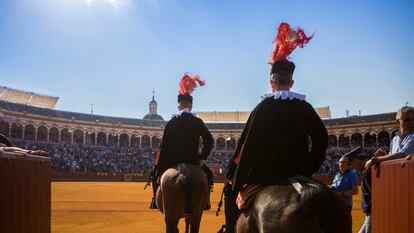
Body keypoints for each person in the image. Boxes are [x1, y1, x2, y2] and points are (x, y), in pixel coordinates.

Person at [221, 22, 328, 233]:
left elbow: (246, 146)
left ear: (272, 82)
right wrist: (309, 166)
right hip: (299, 172)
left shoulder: (262, 108)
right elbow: (321, 138)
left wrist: (235, 177)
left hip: (264, 175)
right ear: (292, 81)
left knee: (230, 193)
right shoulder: (304, 107)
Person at [156, 73, 214, 213]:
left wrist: (160, 167)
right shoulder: (197, 122)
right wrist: (202, 157)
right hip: (193, 161)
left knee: (156, 178)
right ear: (191, 106)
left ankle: (155, 200)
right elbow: (209, 140)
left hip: (171, 161)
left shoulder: (171, 123)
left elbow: (163, 147)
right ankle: (205, 202)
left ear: (178, 106)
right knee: (209, 176)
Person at [343, 147, 372, 233]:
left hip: (372, 212)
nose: (352, 167)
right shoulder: (366, 171)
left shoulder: (367, 171)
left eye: (352, 164)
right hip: (369, 213)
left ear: (357, 160)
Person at [330, 156, 358, 226]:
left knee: (344, 226)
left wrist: (341, 194)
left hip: (345, 205)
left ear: (348, 165)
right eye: (340, 162)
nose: (341, 164)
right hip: (335, 204)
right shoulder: (337, 175)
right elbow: (334, 185)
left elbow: (355, 191)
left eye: (343, 162)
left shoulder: (352, 175)